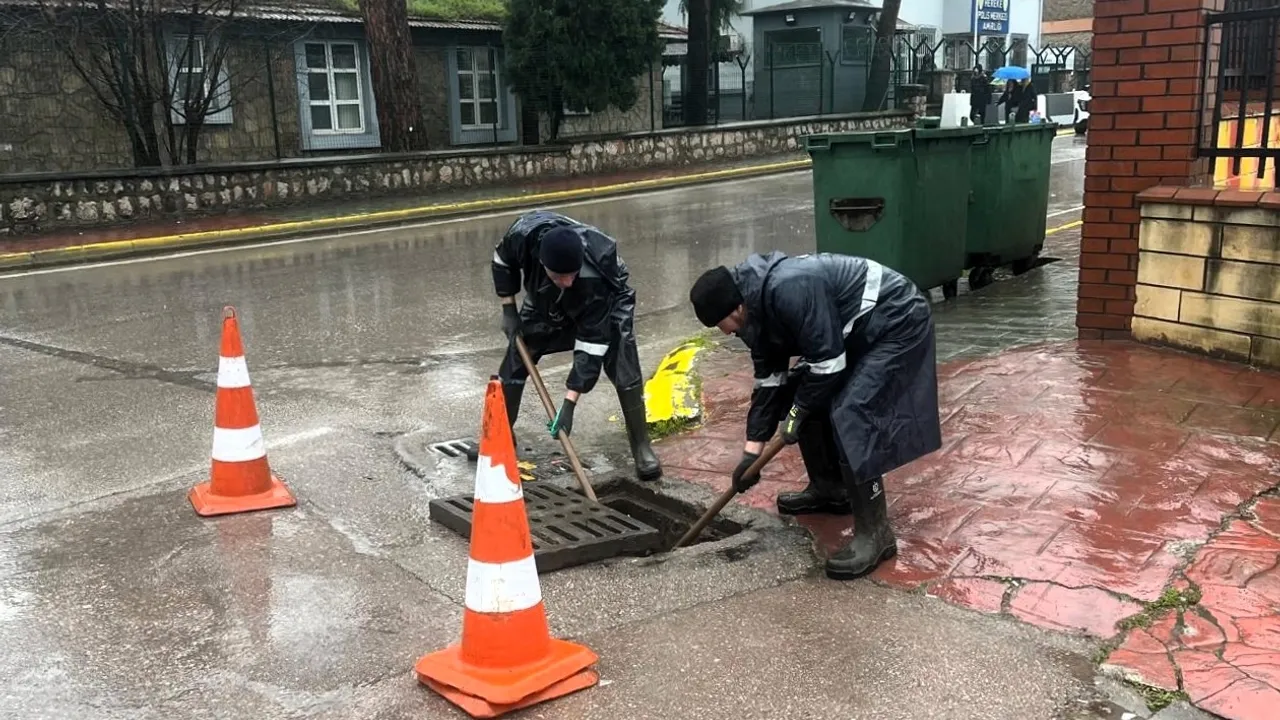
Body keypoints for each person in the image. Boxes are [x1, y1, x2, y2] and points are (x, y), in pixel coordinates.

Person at [687, 252, 941, 579]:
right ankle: (831, 490)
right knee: (795, 391)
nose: (725, 333)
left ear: (735, 309)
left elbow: (828, 363)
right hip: (850, 332)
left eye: (723, 326)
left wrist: (798, 412)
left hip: (895, 319)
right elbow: (769, 382)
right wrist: (751, 454)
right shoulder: (753, 312)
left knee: (852, 411)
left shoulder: (789, 288)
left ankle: (876, 533)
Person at [491, 209, 661, 482]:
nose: (568, 282)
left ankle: (641, 446)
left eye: (572, 274)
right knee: (516, 358)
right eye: (561, 276)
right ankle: (499, 436)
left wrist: (569, 404)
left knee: (623, 362)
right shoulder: (522, 235)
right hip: (544, 296)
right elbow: (502, 261)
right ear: (542, 263)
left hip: (608, 299)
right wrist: (508, 308)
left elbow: (591, 344)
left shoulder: (594, 276)